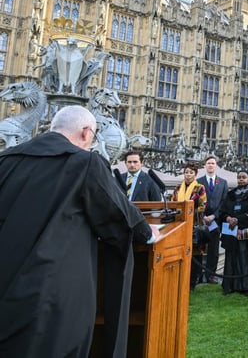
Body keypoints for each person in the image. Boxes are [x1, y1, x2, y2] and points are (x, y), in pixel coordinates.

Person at [0, 105, 159, 357]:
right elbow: (118, 215)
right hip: (52, 294)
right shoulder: (85, 163)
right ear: (86, 133)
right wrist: (149, 233)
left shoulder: (6, 160)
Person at [218, 170, 248, 296]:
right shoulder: (230, 194)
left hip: (246, 232)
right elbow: (223, 210)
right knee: (231, 257)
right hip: (231, 232)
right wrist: (228, 218)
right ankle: (230, 286)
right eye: (239, 177)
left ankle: (245, 286)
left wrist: (238, 219)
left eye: (244, 177)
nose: (241, 179)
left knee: (245, 258)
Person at [174, 161, 208, 289]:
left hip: (194, 224)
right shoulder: (178, 188)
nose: (188, 175)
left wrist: (188, 213)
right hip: (179, 223)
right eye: (186, 172)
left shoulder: (200, 188)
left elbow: (202, 206)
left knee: (195, 253)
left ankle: (194, 280)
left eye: (191, 173)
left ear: (195, 174)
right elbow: (173, 203)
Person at [197, 155, 229, 284]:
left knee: (214, 249)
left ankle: (211, 275)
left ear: (216, 166)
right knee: (199, 248)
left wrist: (214, 216)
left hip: (216, 220)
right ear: (205, 165)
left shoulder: (222, 182)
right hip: (201, 219)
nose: (210, 165)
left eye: (213, 163)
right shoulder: (198, 181)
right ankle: (198, 275)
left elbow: (224, 202)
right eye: (208, 163)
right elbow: (195, 200)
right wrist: (202, 216)